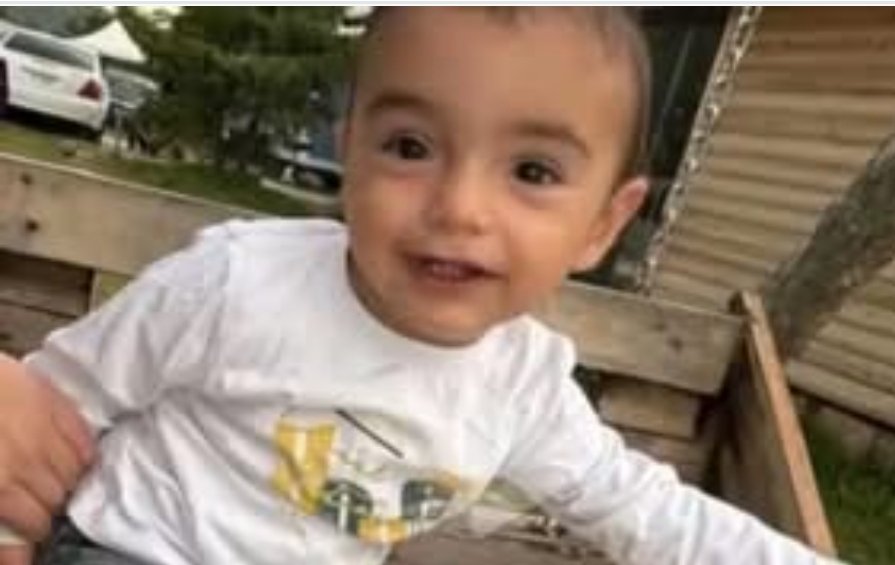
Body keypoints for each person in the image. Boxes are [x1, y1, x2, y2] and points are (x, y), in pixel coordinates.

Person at [0, 8, 838, 565]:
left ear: (603, 223)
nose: (459, 207)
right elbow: (52, 403)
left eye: (533, 171)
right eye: (409, 147)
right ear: (351, 153)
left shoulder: (522, 387)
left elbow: (646, 510)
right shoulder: (236, 282)